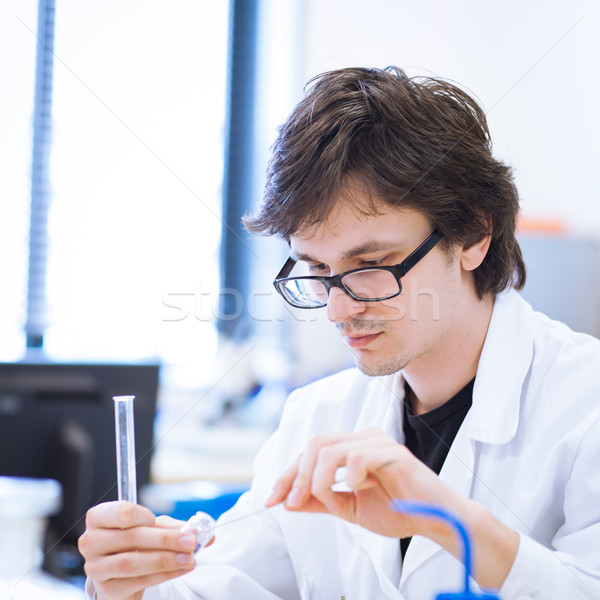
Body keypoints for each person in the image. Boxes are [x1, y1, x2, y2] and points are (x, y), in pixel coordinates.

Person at [79, 66, 600, 599]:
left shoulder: (585, 406)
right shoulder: (319, 417)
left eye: (372, 263)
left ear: (473, 233)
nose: (338, 310)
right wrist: (132, 584)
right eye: (318, 271)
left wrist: (451, 521)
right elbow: (220, 585)